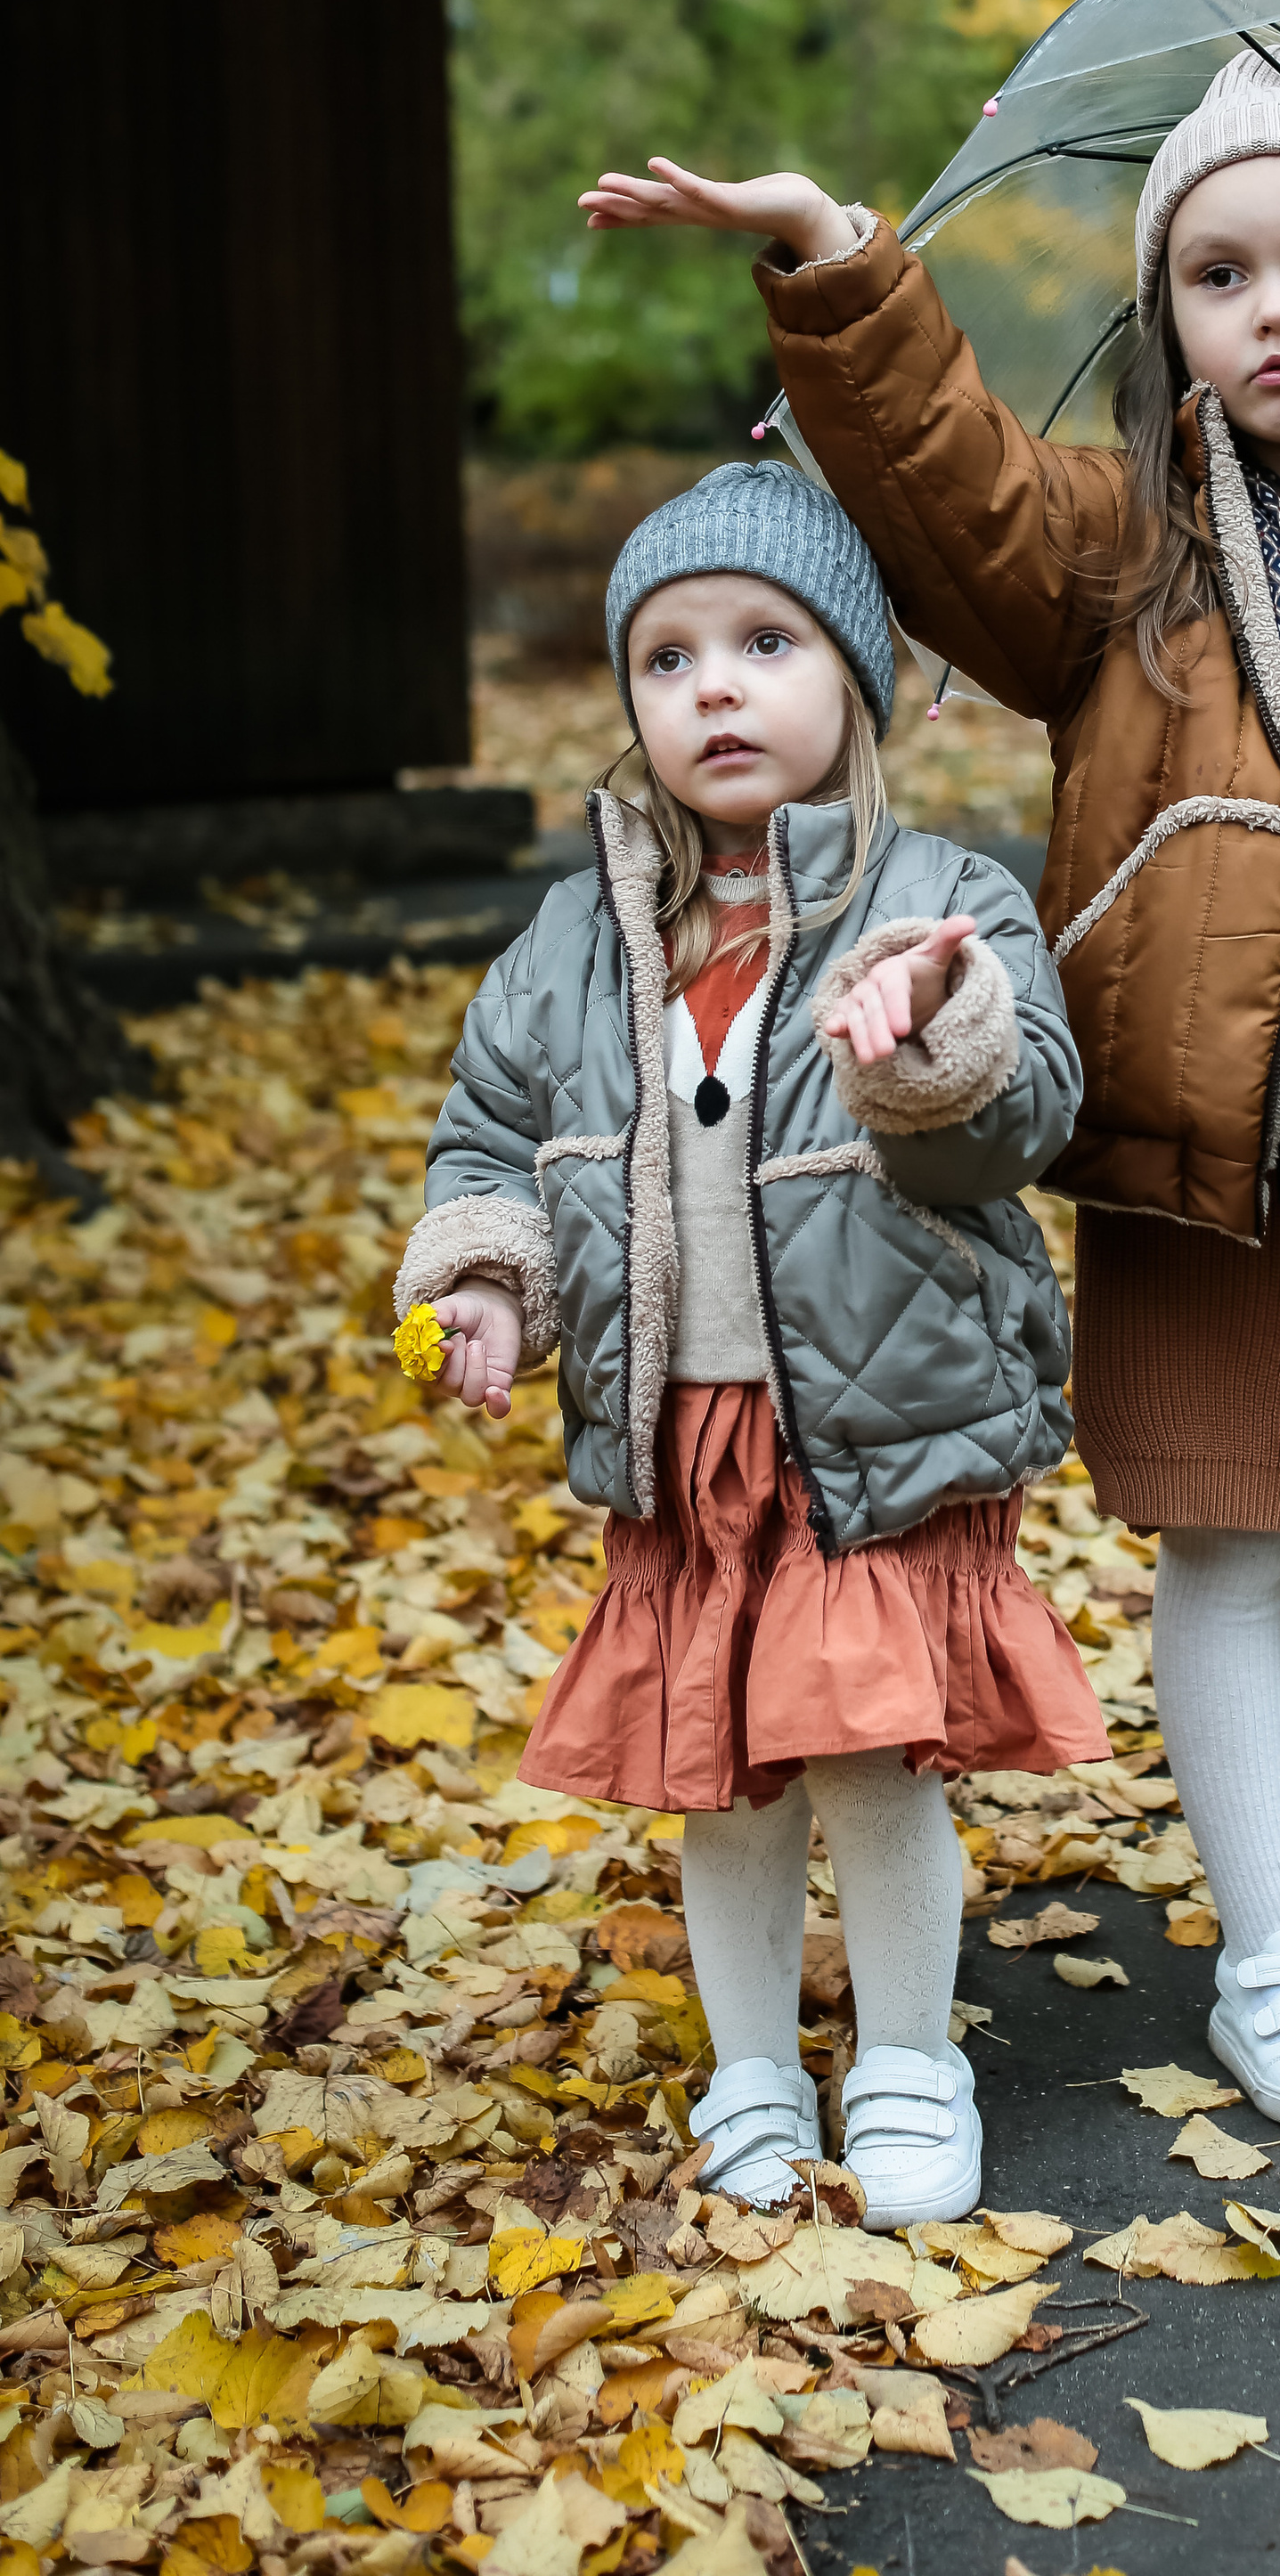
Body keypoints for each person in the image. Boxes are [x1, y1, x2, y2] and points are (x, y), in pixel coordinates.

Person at [575, 45, 1280, 2128]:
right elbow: (942, 481)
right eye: (1215, 274)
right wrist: (833, 262)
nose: (1272, 307)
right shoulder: (1112, 558)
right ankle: (1276, 1945)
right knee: (1213, 1539)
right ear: (1168, 316)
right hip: (1196, 1137)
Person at [393, 464, 1105, 2227]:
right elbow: (488, 1136)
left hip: (872, 1433)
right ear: (630, 702)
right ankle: (754, 2074)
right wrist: (487, 1275)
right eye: (667, 656)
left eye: (764, 642)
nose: (713, 685)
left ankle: (915, 2067)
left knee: (864, 1756)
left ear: (852, 680)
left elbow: (1020, 1119)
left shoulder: (937, 901)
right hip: (683, 1440)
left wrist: (919, 1049)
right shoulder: (571, 945)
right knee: (716, 1777)